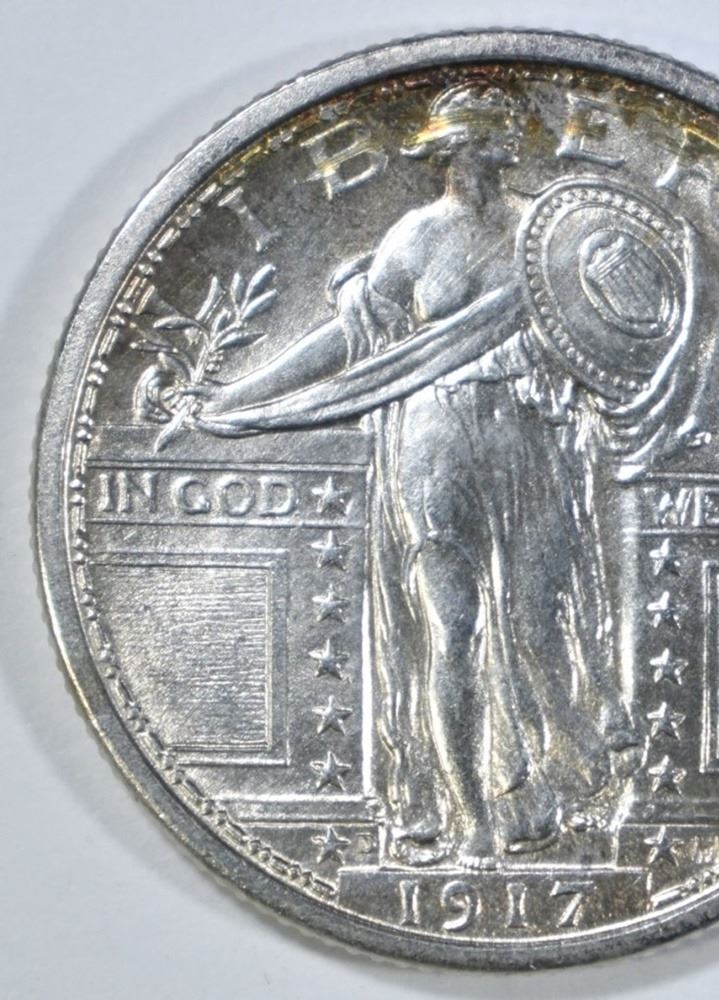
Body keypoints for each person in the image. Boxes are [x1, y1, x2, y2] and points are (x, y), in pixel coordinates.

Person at [191, 80, 644, 869]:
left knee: (541, 623)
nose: (512, 138)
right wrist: (241, 399)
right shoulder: (413, 237)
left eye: (511, 126)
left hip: (529, 435)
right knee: (452, 630)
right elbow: (348, 343)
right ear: (455, 146)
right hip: (436, 439)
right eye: (494, 128)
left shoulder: (549, 227)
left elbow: (618, 321)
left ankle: (545, 791)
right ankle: (468, 812)